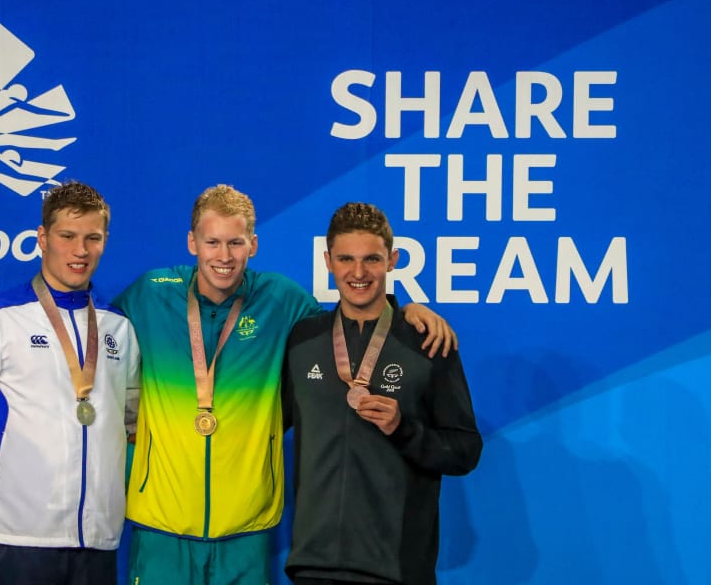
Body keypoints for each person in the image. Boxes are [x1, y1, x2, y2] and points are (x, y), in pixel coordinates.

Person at [113, 185, 456, 585]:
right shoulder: (150, 293)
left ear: (253, 244)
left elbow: (347, 324)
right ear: (193, 242)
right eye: (213, 242)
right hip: (159, 524)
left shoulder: (283, 300)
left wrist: (407, 310)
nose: (224, 257)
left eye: (236, 243)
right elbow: (96, 336)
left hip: (247, 527)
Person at [0, 182, 141, 585]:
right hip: (18, 537)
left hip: (98, 541)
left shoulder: (119, 328)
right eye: (67, 237)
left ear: (105, 241)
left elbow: (130, 426)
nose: (81, 250)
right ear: (43, 238)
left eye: (93, 238)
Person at [283, 202, 482, 585]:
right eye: (346, 259)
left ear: (393, 260)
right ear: (328, 261)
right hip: (313, 565)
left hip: (396, 569)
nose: (358, 273)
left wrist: (404, 429)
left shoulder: (427, 343)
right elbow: (264, 424)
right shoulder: (303, 340)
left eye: (372, 259)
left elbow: (465, 450)